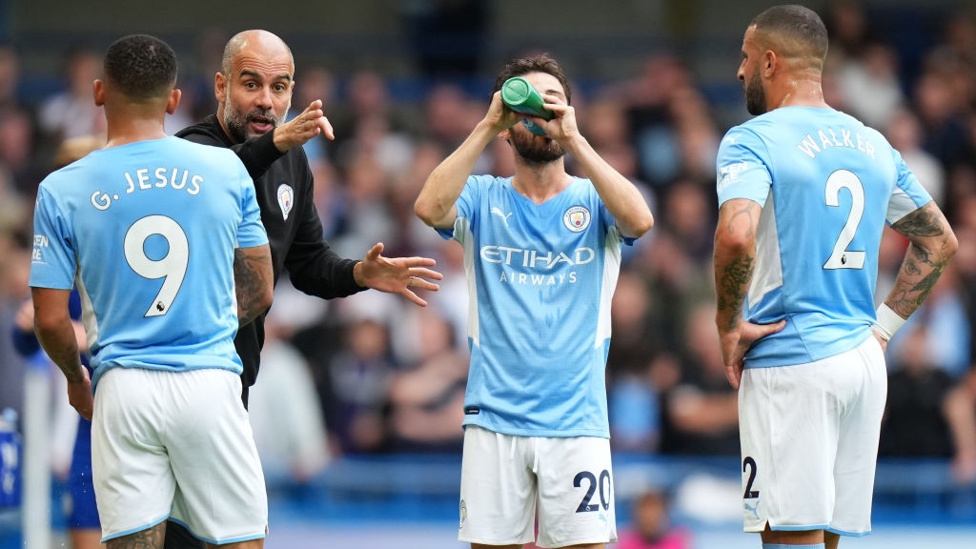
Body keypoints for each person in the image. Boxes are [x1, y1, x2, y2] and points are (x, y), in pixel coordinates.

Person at [168, 28, 442, 549]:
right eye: (251, 84)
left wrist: (360, 274)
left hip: (234, 375)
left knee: (227, 535)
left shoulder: (293, 162)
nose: (266, 101)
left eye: (280, 86)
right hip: (179, 373)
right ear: (222, 85)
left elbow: (309, 264)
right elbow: (212, 186)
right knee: (214, 533)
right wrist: (275, 144)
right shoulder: (191, 151)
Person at [713, 5, 958, 549]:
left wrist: (727, 324)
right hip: (862, 361)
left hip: (791, 359)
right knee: (826, 538)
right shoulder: (873, 142)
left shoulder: (752, 139)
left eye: (746, 58)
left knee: (786, 539)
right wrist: (884, 330)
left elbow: (735, 235)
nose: (739, 71)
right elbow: (940, 240)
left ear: (770, 62)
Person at [29, 33, 275, 548]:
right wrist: (203, 326)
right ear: (173, 100)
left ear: (99, 93)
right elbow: (261, 289)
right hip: (208, 376)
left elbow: (50, 320)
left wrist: (77, 379)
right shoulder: (227, 168)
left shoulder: (61, 188)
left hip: (121, 387)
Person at [414, 53, 655, 549]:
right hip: (493, 419)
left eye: (552, 102)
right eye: (525, 105)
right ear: (507, 124)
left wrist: (575, 139)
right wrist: (486, 124)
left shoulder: (594, 201)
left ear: (569, 112)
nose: (539, 115)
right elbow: (428, 206)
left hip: (578, 421)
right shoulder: (483, 197)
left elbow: (640, 221)